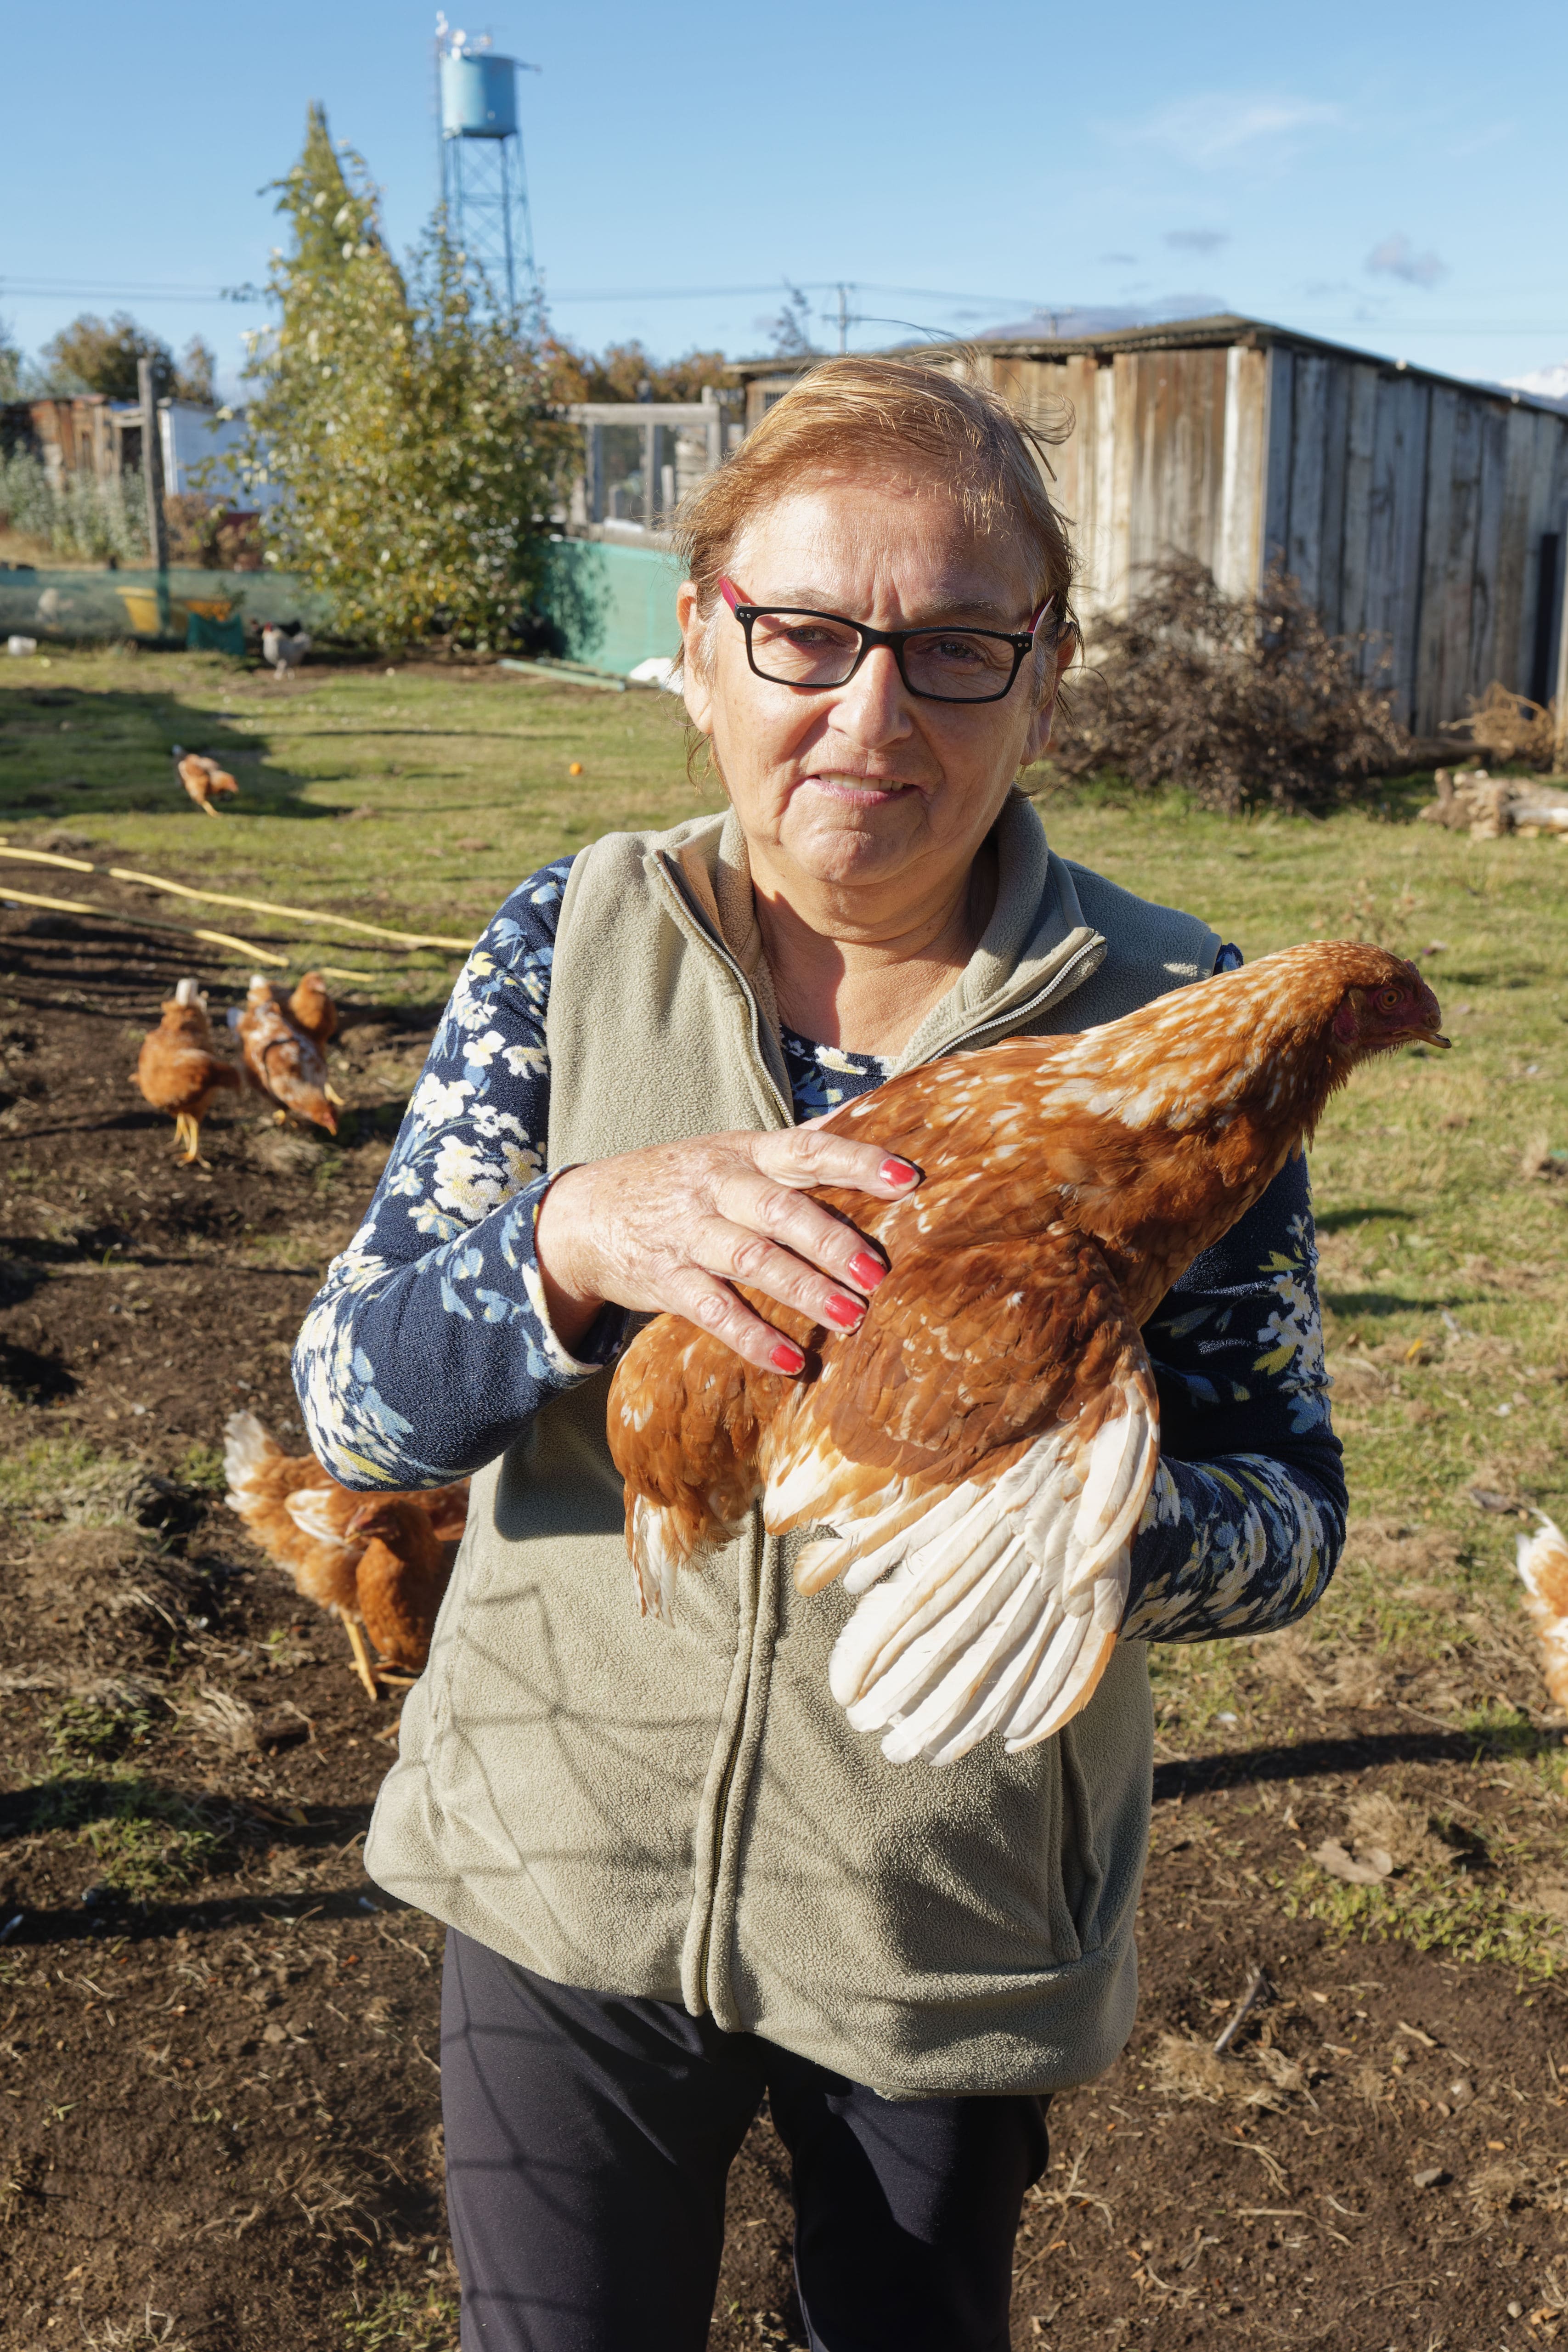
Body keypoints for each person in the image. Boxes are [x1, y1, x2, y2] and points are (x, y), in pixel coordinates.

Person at [294, 356, 1345, 2352]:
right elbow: (349, 1396)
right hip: (556, 1865)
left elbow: (1290, 1507)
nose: (870, 713)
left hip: (935, 1925)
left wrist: (1068, 1522)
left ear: (1042, 682)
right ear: (695, 649)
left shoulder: (1173, 1023)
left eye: (955, 648)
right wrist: (565, 1237)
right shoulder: (566, 939)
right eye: (802, 633)